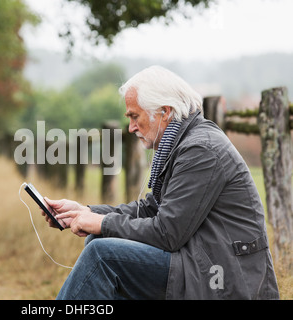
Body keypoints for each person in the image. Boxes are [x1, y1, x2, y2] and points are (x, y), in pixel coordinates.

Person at [42, 65, 280, 300]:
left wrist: (103, 223)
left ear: (165, 112)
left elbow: (167, 233)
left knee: (102, 255)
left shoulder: (201, 149)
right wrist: (85, 212)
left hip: (223, 277)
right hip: (199, 261)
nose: (131, 126)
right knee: (101, 241)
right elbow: (151, 209)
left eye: (135, 116)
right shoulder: (183, 142)